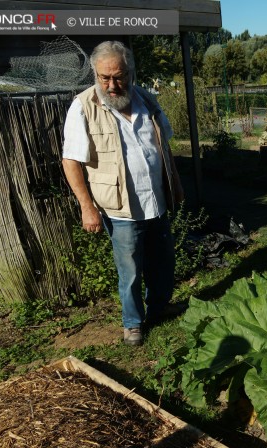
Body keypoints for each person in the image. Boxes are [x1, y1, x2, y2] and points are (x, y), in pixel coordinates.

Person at [62, 41, 184, 346]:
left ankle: (159, 308)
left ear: (130, 72)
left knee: (163, 262)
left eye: (119, 77)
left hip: (155, 202)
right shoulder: (84, 106)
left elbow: (164, 142)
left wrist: (174, 183)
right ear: (95, 74)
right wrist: (86, 207)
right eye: (105, 78)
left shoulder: (144, 98)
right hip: (120, 208)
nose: (112, 85)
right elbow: (71, 160)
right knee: (129, 271)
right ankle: (132, 323)